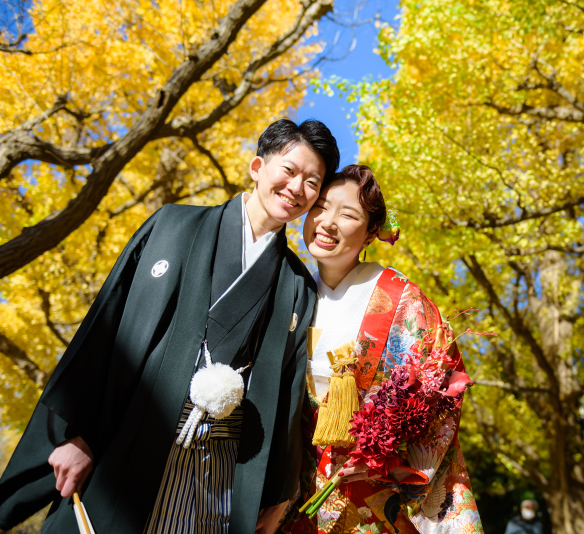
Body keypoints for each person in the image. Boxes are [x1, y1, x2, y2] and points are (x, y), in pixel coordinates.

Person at [0, 119, 340, 534]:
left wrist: (277, 493)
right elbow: (106, 330)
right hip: (126, 438)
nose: (296, 187)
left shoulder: (296, 285)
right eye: (289, 170)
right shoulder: (173, 226)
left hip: (216, 474)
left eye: (312, 182)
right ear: (257, 167)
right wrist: (78, 434)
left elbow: (285, 397)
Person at [280, 165, 482, 534]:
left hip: (374, 489)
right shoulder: (289, 296)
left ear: (373, 232)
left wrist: (385, 452)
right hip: (296, 491)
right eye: (321, 207)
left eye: (348, 214)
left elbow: (443, 380)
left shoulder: (400, 297)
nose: (327, 222)